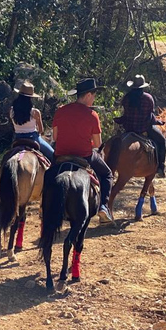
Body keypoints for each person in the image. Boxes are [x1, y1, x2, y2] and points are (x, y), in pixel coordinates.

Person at [52, 78, 114, 223]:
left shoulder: (61, 111)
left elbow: (55, 137)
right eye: (94, 95)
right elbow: (97, 144)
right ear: (87, 96)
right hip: (84, 156)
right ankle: (103, 207)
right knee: (107, 175)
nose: (94, 99)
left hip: (61, 155)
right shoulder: (92, 116)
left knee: (48, 173)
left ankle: (44, 205)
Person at [113, 74, 166, 178]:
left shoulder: (127, 98)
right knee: (162, 141)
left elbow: (125, 115)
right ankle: (160, 167)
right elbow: (150, 117)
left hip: (128, 128)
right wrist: (159, 122)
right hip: (144, 128)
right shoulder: (148, 98)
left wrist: (118, 120)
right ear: (143, 87)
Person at [10, 81, 54, 161]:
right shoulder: (35, 112)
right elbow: (41, 130)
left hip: (17, 138)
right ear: (30, 98)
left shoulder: (12, 110)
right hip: (33, 138)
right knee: (53, 155)